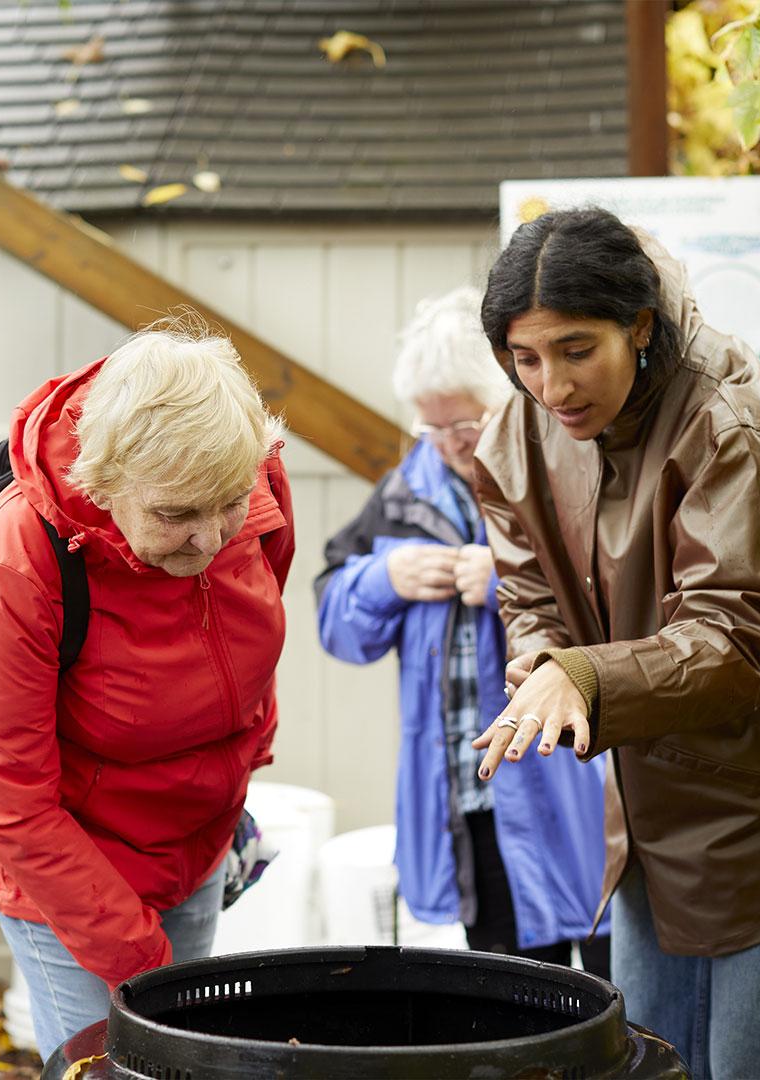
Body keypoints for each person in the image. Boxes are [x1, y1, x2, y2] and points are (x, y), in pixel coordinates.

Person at [471, 207, 760, 1078]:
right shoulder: (527, 421)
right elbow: (527, 581)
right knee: (647, 1067)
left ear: (639, 328)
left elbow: (732, 646)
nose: (551, 386)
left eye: (576, 351)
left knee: (753, 1069)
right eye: (523, 359)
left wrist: (583, 675)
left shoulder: (731, 428)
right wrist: (538, 661)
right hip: (649, 828)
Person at [0, 317, 294, 1061]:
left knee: (188, 1061)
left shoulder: (252, 480)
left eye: (226, 503)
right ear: (100, 483)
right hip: (69, 875)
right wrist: (144, 963)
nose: (209, 540)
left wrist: (238, 775)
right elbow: (10, 803)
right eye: (175, 515)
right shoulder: (15, 564)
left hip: (194, 843)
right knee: (119, 1064)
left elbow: (251, 631)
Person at [315, 287, 610, 974]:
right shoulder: (398, 499)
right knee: (504, 988)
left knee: (604, 979)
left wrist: (509, 582)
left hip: (570, 784)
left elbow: (622, 609)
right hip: (466, 792)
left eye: (466, 424)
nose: (450, 445)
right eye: (431, 428)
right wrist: (380, 579)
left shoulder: (566, 473)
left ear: (511, 396)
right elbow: (338, 625)